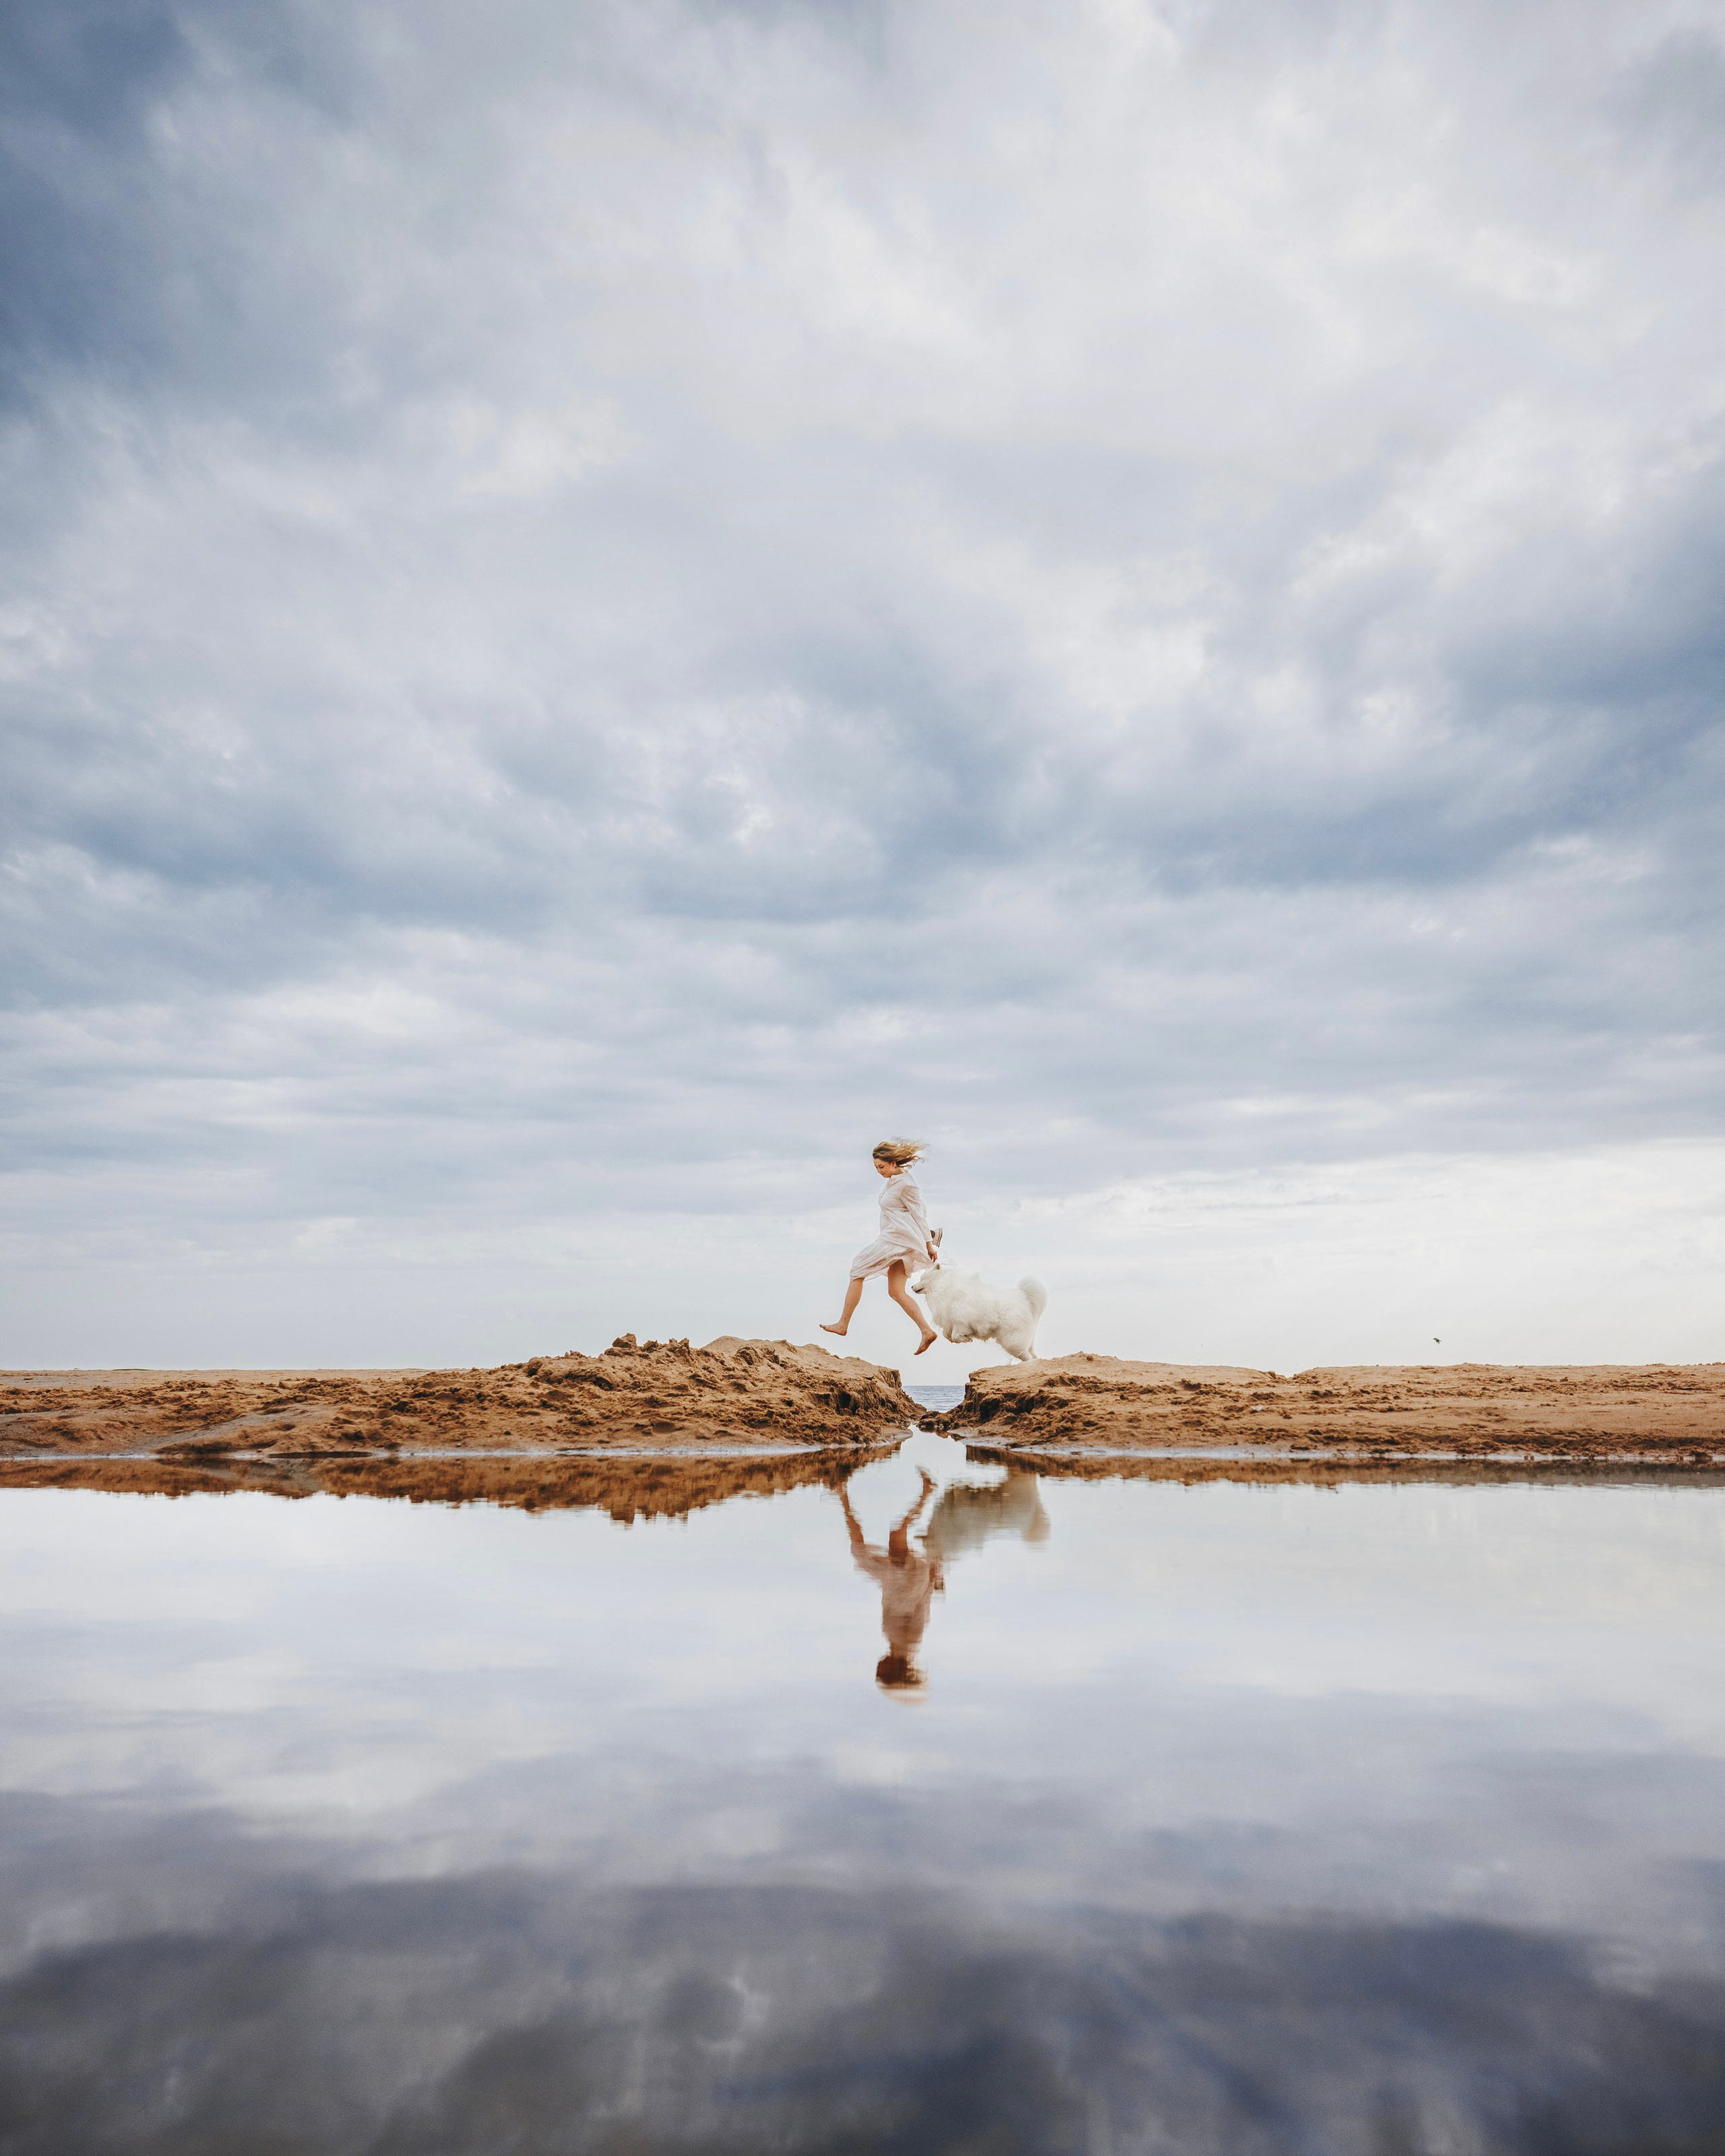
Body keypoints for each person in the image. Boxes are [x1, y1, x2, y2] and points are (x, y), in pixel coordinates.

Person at [821, 1137, 939, 1355]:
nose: (879, 1171)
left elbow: (919, 1214)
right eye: (876, 1168)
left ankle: (843, 1324)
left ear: (894, 1162)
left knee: (858, 1267)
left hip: (896, 1241)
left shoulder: (907, 1184)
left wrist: (929, 1244)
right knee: (896, 1292)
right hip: (893, 1238)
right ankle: (927, 1331)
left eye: (882, 1166)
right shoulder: (894, 1181)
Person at [840, 1469, 944, 1692]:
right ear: (892, 1668)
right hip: (906, 1581)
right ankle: (842, 1495)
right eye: (881, 1670)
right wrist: (934, 1576)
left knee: (874, 1544)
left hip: (896, 1581)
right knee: (892, 1535)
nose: (877, 1666)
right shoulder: (909, 1643)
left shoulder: (898, 1644)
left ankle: (843, 1495)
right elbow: (922, 1610)